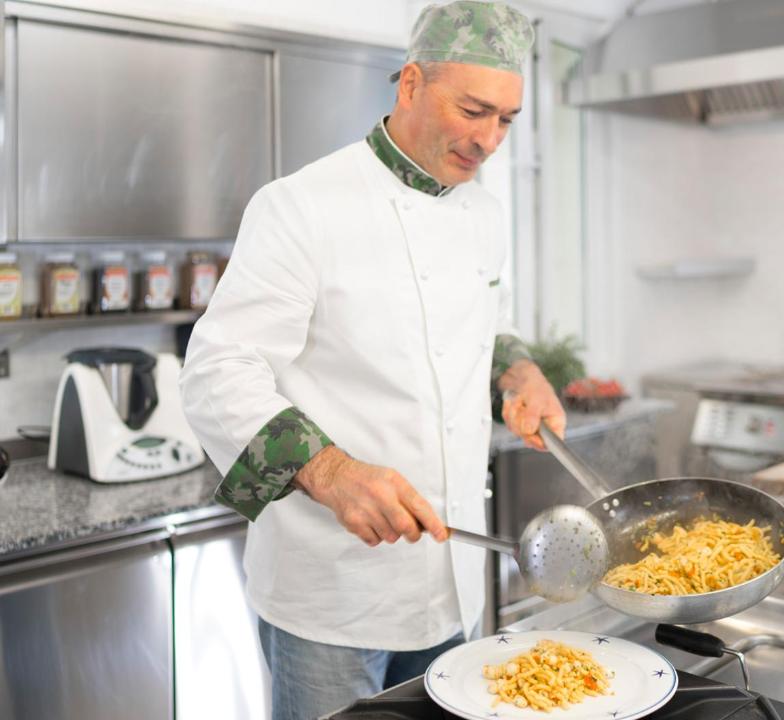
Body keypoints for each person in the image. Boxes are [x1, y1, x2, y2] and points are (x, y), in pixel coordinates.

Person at [178, 2, 566, 718]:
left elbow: (486, 326)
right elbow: (215, 372)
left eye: (507, 120)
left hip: (454, 583)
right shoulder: (301, 206)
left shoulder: (484, 214)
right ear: (411, 84)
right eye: (473, 110)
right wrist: (331, 472)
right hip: (333, 595)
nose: (488, 140)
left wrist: (519, 372)